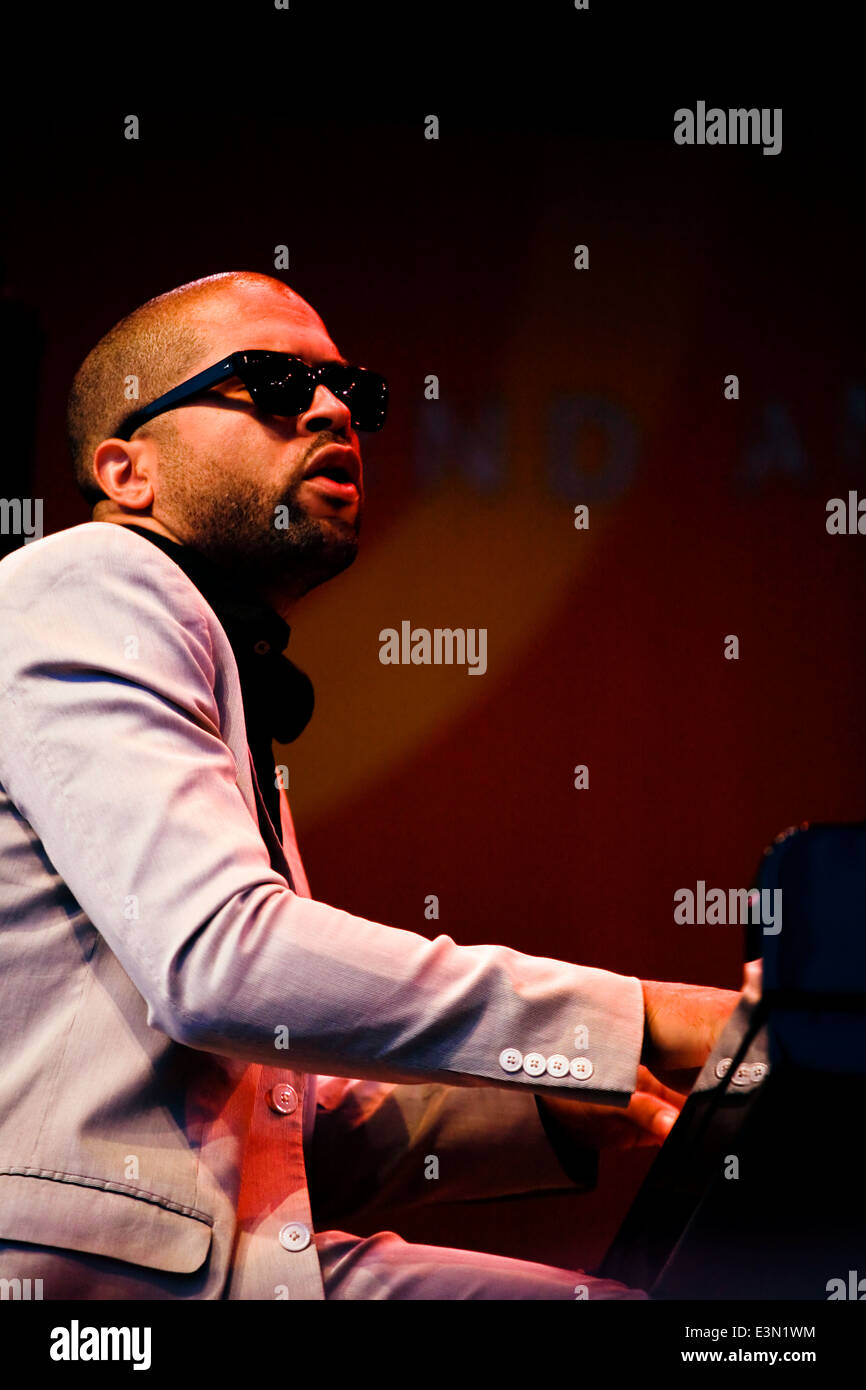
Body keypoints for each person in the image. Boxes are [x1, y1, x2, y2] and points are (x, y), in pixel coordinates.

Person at [0, 271, 739, 1300]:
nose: (335, 408)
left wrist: (559, 1099)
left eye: (354, 393)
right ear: (128, 471)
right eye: (268, 382)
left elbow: (279, 1135)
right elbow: (223, 963)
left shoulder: (212, 660)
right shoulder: (89, 582)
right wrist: (640, 1016)